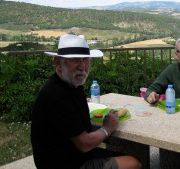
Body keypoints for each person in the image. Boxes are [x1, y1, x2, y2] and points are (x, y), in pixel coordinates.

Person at [31, 34, 141, 169]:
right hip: (66, 164)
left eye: (85, 60)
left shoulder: (71, 85)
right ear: (58, 62)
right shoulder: (56, 95)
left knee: (126, 153)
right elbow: (84, 144)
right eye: (75, 60)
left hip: (72, 156)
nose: (82, 67)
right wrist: (107, 128)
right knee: (133, 163)